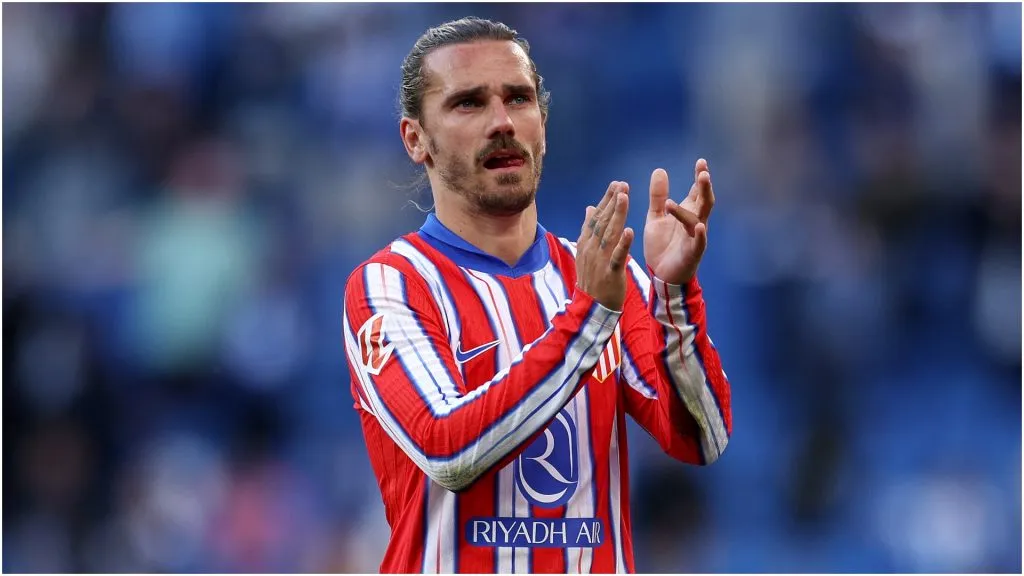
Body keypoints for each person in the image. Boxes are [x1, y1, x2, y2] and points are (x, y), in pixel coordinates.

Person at [342, 16, 732, 574]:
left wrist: (673, 295)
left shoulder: (605, 275)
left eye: (518, 98)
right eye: (468, 103)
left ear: (542, 123)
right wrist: (590, 317)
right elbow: (447, 450)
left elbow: (704, 437)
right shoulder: (390, 284)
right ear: (415, 139)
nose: (502, 122)